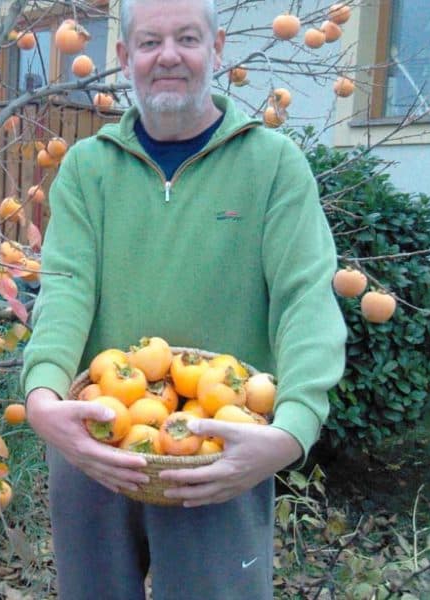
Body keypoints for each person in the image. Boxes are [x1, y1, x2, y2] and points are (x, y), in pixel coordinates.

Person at [19, 0, 348, 598]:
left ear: (217, 48)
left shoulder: (273, 166)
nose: (167, 56)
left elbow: (305, 299)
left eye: (187, 38)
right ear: (124, 58)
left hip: (220, 451)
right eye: (149, 42)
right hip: (97, 445)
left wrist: (292, 429)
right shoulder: (88, 170)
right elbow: (65, 288)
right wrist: (43, 393)